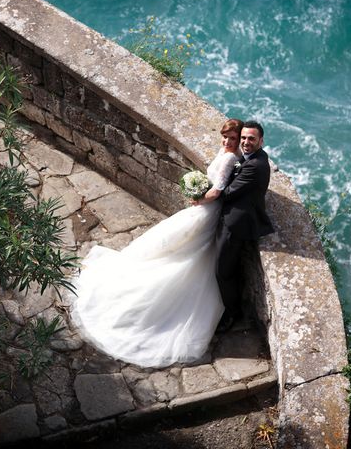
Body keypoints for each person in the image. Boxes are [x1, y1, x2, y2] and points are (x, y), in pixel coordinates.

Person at [70, 119, 244, 368]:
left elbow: (216, 191)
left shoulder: (229, 158)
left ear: (239, 140)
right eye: (225, 137)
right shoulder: (228, 153)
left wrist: (198, 199)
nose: (227, 142)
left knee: (185, 248)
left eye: (232, 139)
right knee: (179, 245)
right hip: (207, 211)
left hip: (207, 210)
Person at [211, 120, 274, 333]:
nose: (246, 142)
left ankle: (232, 313)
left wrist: (207, 191)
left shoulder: (255, 165)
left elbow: (227, 192)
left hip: (235, 225)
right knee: (227, 268)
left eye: (251, 139)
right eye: (244, 138)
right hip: (232, 218)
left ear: (261, 141)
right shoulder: (249, 157)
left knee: (223, 271)